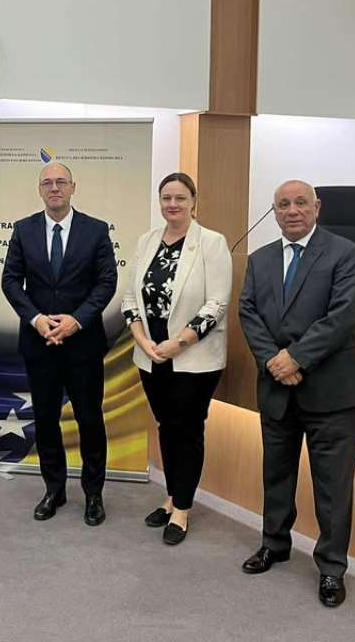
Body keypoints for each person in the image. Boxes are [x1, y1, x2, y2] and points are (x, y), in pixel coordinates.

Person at [238, 179, 355, 608]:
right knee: (276, 475)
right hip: (276, 387)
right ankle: (274, 543)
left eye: (300, 203)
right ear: (274, 211)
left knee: (332, 487)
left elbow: (343, 315)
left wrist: (295, 358)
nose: (292, 210)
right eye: (283, 204)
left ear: (317, 207)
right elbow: (248, 312)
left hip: (330, 390)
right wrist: (272, 361)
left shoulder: (344, 254)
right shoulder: (259, 259)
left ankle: (331, 567)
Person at [1, 162, 117, 525]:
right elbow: (10, 281)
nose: (55, 188)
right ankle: (54, 489)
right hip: (40, 344)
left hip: (83, 344)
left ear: (73, 187)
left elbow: (106, 282)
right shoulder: (23, 229)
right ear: (40, 190)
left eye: (61, 182)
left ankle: (93, 493)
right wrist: (36, 319)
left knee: (89, 419)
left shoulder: (96, 230)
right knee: (46, 419)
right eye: (48, 183)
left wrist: (76, 320)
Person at [121, 172, 232, 545]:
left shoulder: (211, 243)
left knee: (187, 429)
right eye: (166, 198)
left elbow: (216, 304)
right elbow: (130, 298)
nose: (172, 204)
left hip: (193, 357)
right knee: (166, 426)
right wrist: (143, 340)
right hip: (150, 354)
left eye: (180, 198)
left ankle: (182, 508)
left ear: (193, 202)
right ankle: (171, 496)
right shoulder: (147, 240)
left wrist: (177, 344)